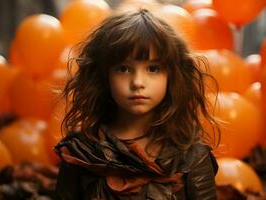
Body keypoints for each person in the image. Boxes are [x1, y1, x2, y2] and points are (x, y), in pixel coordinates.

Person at [54, 8, 220, 200]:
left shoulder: (191, 155)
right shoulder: (80, 152)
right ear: (104, 75)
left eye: (153, 68)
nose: (138, 82)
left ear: (172, 75)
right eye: (123, 69)